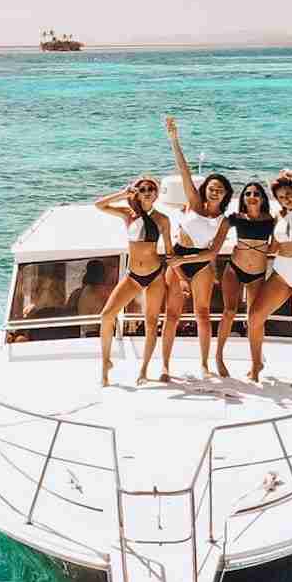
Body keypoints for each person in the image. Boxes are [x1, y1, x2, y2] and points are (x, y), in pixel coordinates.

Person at [178, 180, 275, 377]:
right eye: (247, 194)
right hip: (234, 269)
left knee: (255, 319)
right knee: (228, 312)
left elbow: (276, 246)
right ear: (243, 199)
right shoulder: (234, 218)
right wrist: (188, 218)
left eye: (256, 193)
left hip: (257, 274)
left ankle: (256, 363)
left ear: (262, 198)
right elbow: (215, 238)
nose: (251, 197)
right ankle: (218, 358)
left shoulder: (271, 221)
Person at [160, 116, 231, 380]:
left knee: (203, 314)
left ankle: (204, 364)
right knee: (172, 315)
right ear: (205, 190)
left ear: (225, 194)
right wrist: (174, 140)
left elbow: (213, 253)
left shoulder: (223, 220)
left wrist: (183, 264)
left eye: (220, 190)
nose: (215, 192)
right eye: (212, 188)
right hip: (179, 254)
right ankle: (165, 365)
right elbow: (184, 171)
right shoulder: (193, 203)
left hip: (200, 263)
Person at [93, 178, 174, 385]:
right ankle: (105, 362)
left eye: (151, 189)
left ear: (156, 194)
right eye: (142, 189)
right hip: (133, 275)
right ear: (136, 193)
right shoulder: (128, 214)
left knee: (151, 323)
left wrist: (179, 278)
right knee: (107, 315)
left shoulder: (163, 220)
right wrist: (123, 194)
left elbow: (170, 253)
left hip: (155, 275)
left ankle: (144, 369)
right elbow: (99, 205)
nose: (147, 192)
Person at [247, 169, 292, 388]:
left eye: (289, 194)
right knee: (255, 317)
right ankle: (256, 364)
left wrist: (288, 173)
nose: (285, 198)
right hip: (281, 271)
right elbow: (274, 247)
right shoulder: (278, 216)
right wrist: (249, 246)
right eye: (280, 196)